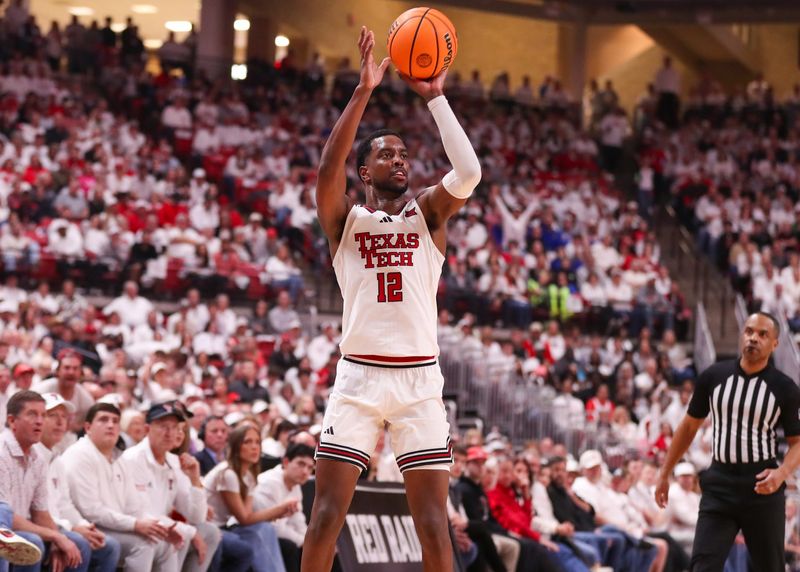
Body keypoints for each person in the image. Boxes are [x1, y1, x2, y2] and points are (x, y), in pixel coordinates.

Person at [304, 26, 481, 572]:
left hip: (418, 381)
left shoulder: (427, 213)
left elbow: (469, 173)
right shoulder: (345, 222)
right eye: (386, 155)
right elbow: (326, 172)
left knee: (433, 523)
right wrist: (362, 92)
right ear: (366, 171)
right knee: (327, 515)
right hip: (358, 379)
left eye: (404, 154)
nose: (399, 161)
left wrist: (435, 98)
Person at [656, 312, 800, 571]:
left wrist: (782, 474)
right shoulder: (714, 376)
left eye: (762, 334)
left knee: (771, 567)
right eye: (749, 331)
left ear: (775, 344)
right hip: (719, 485)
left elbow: (797, 443)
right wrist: (665, 472)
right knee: (702, 566)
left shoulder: (785, 388)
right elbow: (688, 427)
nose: (753, 338)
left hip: (762, 487)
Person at [59, 402, 179, 571]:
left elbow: (134, 507)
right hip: (90, 528)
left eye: (115, 421)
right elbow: (91, 510)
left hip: (116, 526)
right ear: (87, 427)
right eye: (103, 420)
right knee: (144, 544)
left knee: (166, 542)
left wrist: (159, 527)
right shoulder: (79, 455)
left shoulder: (120, 458)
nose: (110, 425)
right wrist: (135, 524)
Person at [118, 402, 220, 572]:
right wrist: (190, 532)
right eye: (163, 426)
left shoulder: (173, 460)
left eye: (174, 427)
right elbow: (142, 513)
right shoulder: (132, 459)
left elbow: (197, 516)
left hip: (161, 526)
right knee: (177, 536)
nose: (170, 433)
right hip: (134, 526)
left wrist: (195, 480)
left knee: (210, 532)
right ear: (147, 429)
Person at [0, 391, 86, 572]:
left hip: (22, 528)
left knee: (76, 543)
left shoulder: (37, 458)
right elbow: (7, 517)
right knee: (31, 539)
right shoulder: (2, 452)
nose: (40, 421)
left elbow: (41, 512)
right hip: (9, 528)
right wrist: (54, 536)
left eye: (43, 415)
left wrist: (56, 538)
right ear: (12, 421)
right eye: (32, 414)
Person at [36, 393, 121, 572]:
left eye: (64, 417)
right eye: (53, 416)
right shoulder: (33, 456)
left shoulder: (56, 460)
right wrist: (71, 528)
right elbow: (36, 512)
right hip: (40, 528)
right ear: (38, 420)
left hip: (60, 526)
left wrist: (83, 526)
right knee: (80, 543)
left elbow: (65, 504)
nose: (60, 422)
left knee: (109, 546)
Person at [203, 424, 298, 572]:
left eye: (257, 442)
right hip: (209, 526)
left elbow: (248, 517)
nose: (254, 447)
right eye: (247, 442)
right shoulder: (227, 473)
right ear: (235, 446)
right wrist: (278, 510)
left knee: (265, 529)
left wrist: (279, 511)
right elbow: (244, 519)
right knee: (243, 549)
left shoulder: (249, 476)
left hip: (225, 527)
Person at [253, 443, 316, 572]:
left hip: (270, 532)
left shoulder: (295, 486)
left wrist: (311, 544)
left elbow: (298, 521)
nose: (305, 472)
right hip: (254, 532)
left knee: (324, 551)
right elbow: (275, 529)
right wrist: (304, 542)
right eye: (301, 464)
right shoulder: (269, 483)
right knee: (290, 547)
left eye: (310, 468)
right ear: (286, 462)